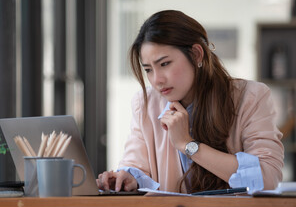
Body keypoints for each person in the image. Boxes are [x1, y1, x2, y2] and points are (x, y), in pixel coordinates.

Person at [97, 10, 284, 194]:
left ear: (196, 55)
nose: (157, 80)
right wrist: (129, 179)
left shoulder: (250, 97)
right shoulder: (145, 103)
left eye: (164, 64)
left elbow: (267, 178)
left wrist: (187, 144)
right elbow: (135, 164)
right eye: (148, 70)